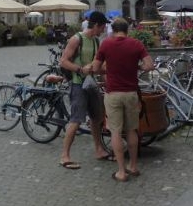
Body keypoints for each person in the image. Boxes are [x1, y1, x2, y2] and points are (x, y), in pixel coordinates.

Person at [92, 18, 155, 182]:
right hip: (131, 93)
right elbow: (149, 65)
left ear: (113, 30)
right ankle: (133, 166)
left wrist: (108, 69)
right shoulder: (136, 44)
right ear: (127, 30)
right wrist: (137, 67)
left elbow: (96, 68)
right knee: (132, 130)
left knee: (115, 132)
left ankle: (121, 171)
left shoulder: (106, 44)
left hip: (113, 93)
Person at [58, 10, 109, 169]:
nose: (103, 31)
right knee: (76, 119)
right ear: (96, 25)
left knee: (97, 118)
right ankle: (65, 155)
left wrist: (107, 73)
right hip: (77, 83)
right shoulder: (76, 39)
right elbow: (63, 62)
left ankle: (99, 149)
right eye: (102, 28)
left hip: (90, 83)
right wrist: (80, 70)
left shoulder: (95, 41)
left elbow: (97, 65)